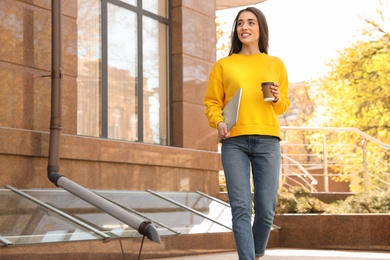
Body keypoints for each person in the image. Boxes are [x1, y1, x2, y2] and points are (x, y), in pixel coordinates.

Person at [203, 7, 290, 260]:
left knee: (265, 209)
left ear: (260, 28)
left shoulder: (275, 64)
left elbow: (283, 104)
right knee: (240, 208)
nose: (244, 27)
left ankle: (257, 252)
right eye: (240, 23)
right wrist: (218, 122)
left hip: (268, 140)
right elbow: (212, 103)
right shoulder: (224, 65)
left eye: (251, 22)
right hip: (234, 142)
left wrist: (276, 98)